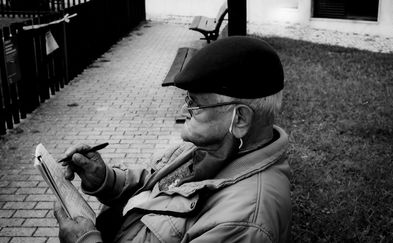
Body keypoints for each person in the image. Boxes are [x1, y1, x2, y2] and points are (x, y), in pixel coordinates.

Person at [54, 36, 292, 243]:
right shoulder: (213, 147)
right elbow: (155, 183)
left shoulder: (243, 223)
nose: (183, 109)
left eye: (195, 103)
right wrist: (105, 178)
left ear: (239, 118)